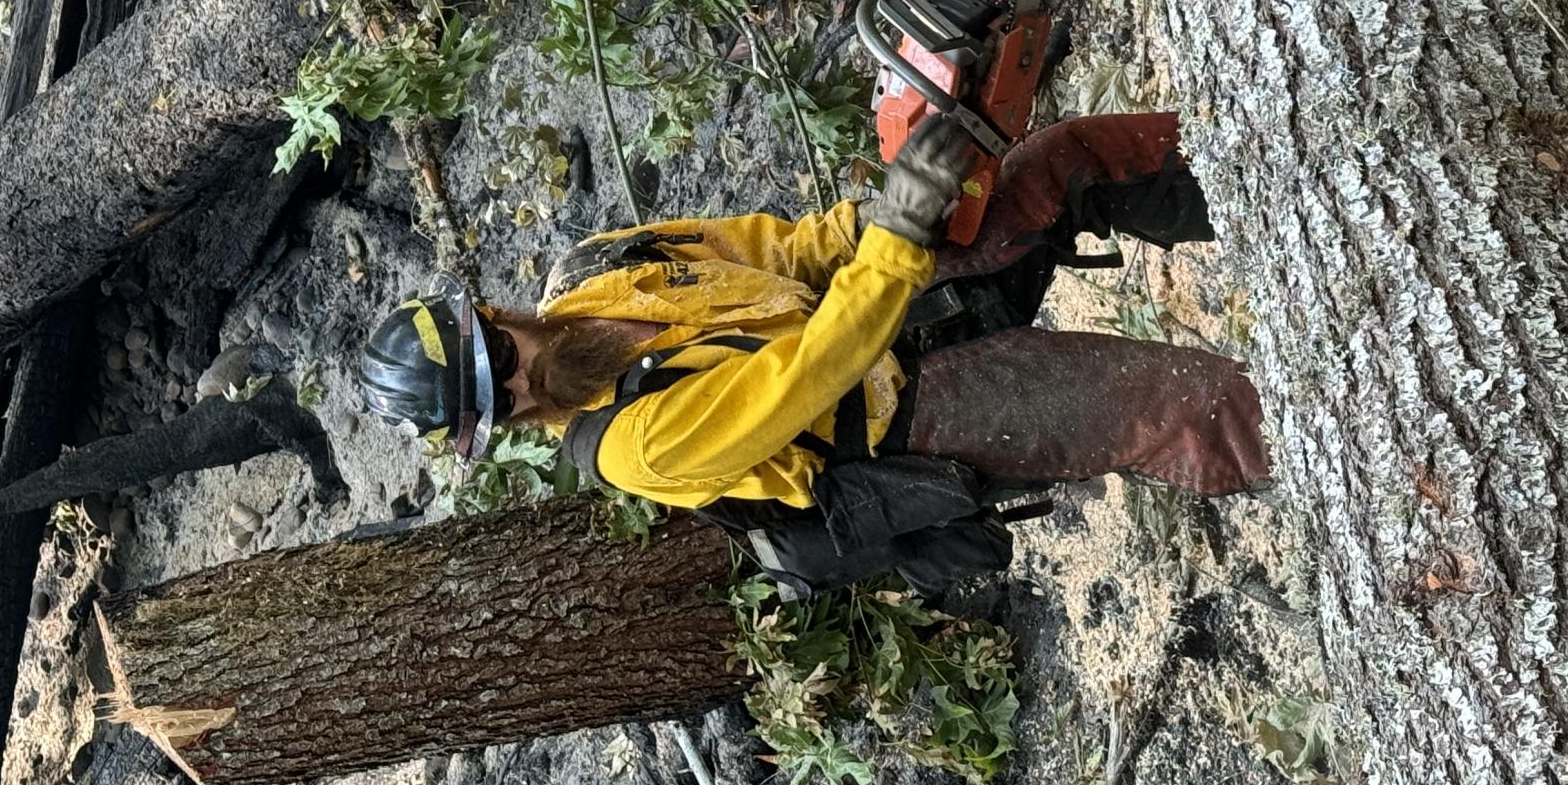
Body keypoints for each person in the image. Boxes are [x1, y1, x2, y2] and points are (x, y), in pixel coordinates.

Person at [359, 113, 1271, 569]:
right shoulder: (635, 447)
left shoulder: (603, 268)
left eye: (502, 364)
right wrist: (896, 238)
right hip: (905, 417)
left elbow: (784, 252)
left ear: (493, 318)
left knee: (1057, 161)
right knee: (1173, 403)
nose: (524, 388)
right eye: (504, 409)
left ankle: (1265, 169)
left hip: (895, 298)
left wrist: (893, 206)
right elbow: (815, 372)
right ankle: (1329, 445)